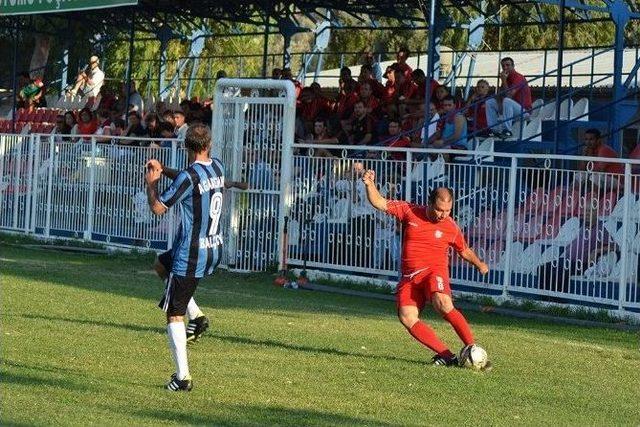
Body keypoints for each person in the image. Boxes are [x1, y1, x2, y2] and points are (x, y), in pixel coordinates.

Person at [361, 176, 490, 367]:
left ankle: (473, 349)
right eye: (439, 209)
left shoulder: (451, 227)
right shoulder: (409, 211)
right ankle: (449, 356)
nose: (442, 215)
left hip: (433, 272)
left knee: (443, 302)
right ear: (429, 203)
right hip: (409, 278)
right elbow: (380, 203)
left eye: (447, 211)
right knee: (407, 317)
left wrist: (479, 264)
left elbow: (463, 250)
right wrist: (370, 185)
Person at [144, 123, 225, 392]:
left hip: (190, 254)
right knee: (160, 265)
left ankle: (182, 377)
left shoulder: (190, 176)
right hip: (212, 247)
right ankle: (198, 317)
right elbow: (189, 180)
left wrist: (152, 183)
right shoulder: (218, 167)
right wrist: (164, 169)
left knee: (173, 314)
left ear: (186, 147)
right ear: (209, 145)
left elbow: (157, 208)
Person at [485, 57, 532, 138]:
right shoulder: (506, 78)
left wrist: (503, 80)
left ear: (513, 66)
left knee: (506, 100)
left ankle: (507, 130)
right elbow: (499, 95)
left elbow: (509, 96)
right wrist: (499, 105)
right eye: (503, 66)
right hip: (512, 111)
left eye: (508, 65)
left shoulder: (518, 77)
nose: (505, 68)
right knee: (489, 102)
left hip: (524, 111)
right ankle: (494, 130)